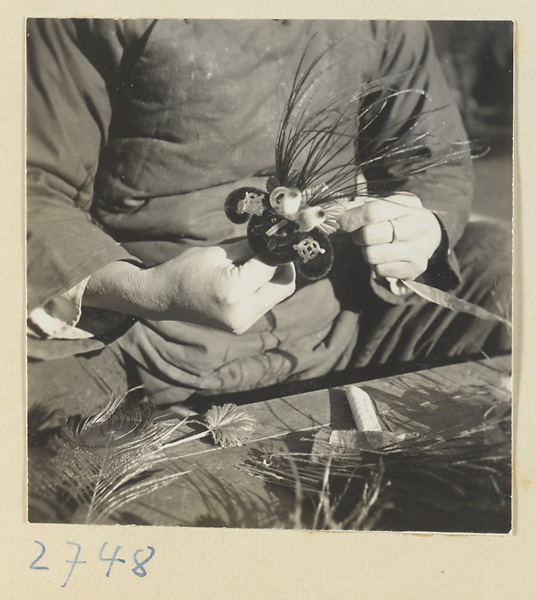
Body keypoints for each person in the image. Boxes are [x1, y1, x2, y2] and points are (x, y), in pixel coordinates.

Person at [27, 19, 511, 415]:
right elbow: (29, 184)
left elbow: (434, 160)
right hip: (138, 346)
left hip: (343, 324)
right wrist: (145, 292)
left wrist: (419, 228)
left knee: (507, 271)